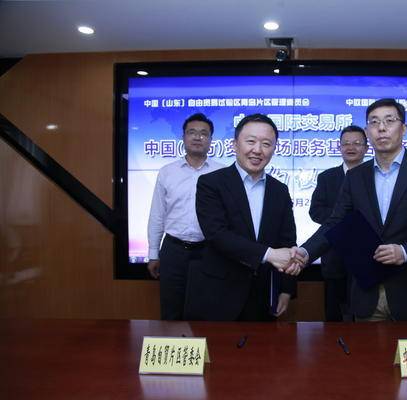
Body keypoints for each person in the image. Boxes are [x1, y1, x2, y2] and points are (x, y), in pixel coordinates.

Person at [292, 98, 407, 321]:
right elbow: (335, 223)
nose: (381, 128)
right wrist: (305, 252)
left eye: (389, 121)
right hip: (366, 296)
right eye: (374, 122)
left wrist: (405, 252)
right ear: (367, 131)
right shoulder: (355, 177)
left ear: (404, 128)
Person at [183, 114, 300, 321]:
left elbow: (287, 240)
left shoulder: (279, 190)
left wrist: (286, 289)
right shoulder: (211, 183)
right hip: (219, 293)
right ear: (235, 145)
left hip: (263, 295)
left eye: (266, 144)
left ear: (274, 149)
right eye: (251, 141)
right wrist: (268, 254)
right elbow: (217, 234)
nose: (258, 150)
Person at [147, 113, 225, 320]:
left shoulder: (223, 174)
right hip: (174, 250)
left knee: (208, 311)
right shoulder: (167, 172)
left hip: (209, 251)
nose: (197, 137)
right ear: (183, 137)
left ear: (211, 140)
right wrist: (153, 253)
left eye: (203, 133)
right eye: (192, 132)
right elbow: (157, 214)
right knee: (171, 311)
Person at [309, 125, 368, 321]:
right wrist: (347, 221)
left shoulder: (374, 176)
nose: (351, 147)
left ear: (366, 148)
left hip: (368, 257)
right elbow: (316, 211)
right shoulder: (327, 177)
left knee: (366, 316)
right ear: (339, 147)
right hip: (334, 257)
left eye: (357, 143)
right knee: (334, 318)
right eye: (346, 143)